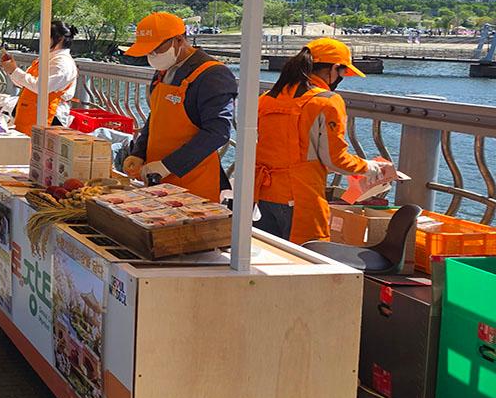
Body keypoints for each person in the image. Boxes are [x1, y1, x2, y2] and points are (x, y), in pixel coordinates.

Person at [255, 38, 396, 243]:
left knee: (267, 256)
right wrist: (370, 167)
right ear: (335, 68)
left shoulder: (267, 98)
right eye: (343, 73)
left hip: (262, 192)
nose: (341, 79)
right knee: (305, 258)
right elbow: (335, 159)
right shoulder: (327, 102)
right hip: (301, 195)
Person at [122, 12, 237, 202]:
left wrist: (167, 166)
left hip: (192, 181)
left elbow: (218, 132)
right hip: (154, 177)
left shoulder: (213, 74)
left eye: (156, 49)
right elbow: (156, 116)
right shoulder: (162, 71)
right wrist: (139, 152)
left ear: (179, 40)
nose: (152, 55)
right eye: (148, 51)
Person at [0, 20, 79, 134]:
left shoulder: (62, 63)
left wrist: (15, 71)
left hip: (49, 117)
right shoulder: (47, 58)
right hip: (30, 112)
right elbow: (24, 84)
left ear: (59, 39)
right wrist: (11, 71)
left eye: (47, 37)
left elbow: (41, 87)